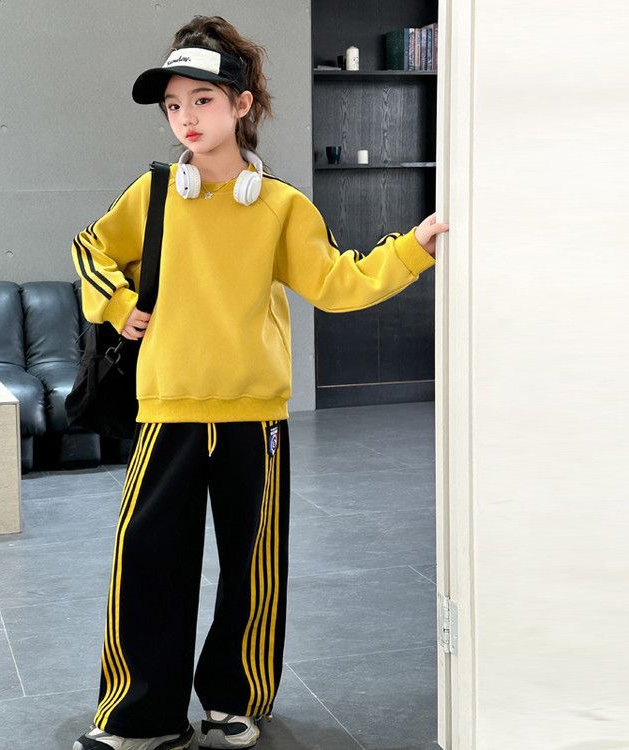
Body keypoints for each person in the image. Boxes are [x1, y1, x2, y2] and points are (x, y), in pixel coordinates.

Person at [70, 14, 449, 750]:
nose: (185, 118)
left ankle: (234, 699)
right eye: (173, 105)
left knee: (253, 567)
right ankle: (141, 717)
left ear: (241, 104)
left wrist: (414, 248)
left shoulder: (280, 206)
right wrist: (117, 304)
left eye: (202, 100)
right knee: (147, 562)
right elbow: (91, 248)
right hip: (169, 409)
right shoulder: (153, 194)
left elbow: (337, 282)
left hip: (256, 417)